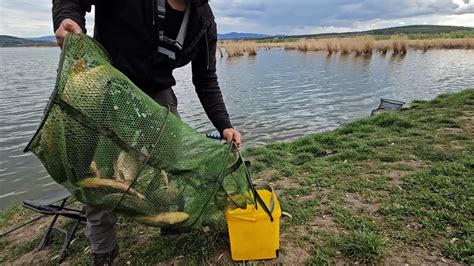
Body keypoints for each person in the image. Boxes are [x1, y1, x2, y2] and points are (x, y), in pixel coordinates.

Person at [52, 0, 241, 264]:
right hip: (107, 80)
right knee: (98, 170)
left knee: (172, 157)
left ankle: (167, 217)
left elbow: (206, 80)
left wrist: (225, 125)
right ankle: (104, 248)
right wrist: (67, 19)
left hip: (156, 89)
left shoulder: (203, 20)